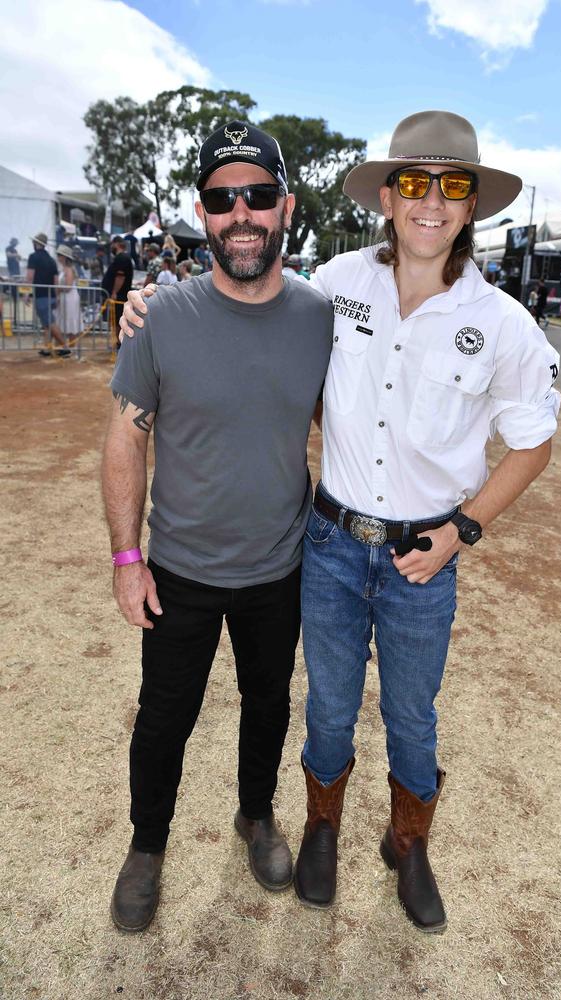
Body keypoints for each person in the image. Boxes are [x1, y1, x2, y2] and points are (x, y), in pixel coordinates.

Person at [121, 110, 561, 934]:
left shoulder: (506, 325)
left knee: (412, 713)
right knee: (324, 704)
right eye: (415, 184)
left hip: (421, 558)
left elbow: (534, 443)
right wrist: (146, 308)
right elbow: (248, 305)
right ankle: (320, 825)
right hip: (325, 543)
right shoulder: (337, 285)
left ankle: (408, 841)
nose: (432, 201)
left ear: (472, 207)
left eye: (453, 186)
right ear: (388, 199)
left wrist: (461, 531)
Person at [103, 121, 333, 933]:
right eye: (222, 197)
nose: (242, 213)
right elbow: (127, 434)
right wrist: (129, 558)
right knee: (165, 715)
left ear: (286, 209)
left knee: (268, 703)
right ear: (203, 214)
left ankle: (255, 815)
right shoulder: (160, 317)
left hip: (280, 567)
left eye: (258, 196)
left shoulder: (320, 316)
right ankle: (146, 845)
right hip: (181, 570)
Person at [25, 233, 70, 357]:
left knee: (49, 322)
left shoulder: (33, 257)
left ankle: (65, 347)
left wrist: (26, 293)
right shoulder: (51, 260)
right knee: (46, 323)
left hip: (41, 296)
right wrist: (56, 297)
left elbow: (29, 277)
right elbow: (55, 281)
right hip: (51, 296)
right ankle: (47, 348)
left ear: (36, 243)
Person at [101, 238, 133, 348]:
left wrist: (114, 292)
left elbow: (120, 277)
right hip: (118, 296)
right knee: (116, 321)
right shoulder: (120, 258)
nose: (111, 247)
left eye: (112, 244)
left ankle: (121, 345)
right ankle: (120, 344)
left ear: (117, 244)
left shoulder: (122, 258)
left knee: (119, 321)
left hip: (119, 296)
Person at [56, 245, 82, 346]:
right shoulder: (64, 269)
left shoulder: (69, 269)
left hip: (69, 298)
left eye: (59, 255)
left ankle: (72, 346)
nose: (58, 257)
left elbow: (68, 286)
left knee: (71, 321)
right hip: (65, 297)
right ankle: (67, 346)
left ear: (64, 257)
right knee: (65, 321)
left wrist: (58, 288)